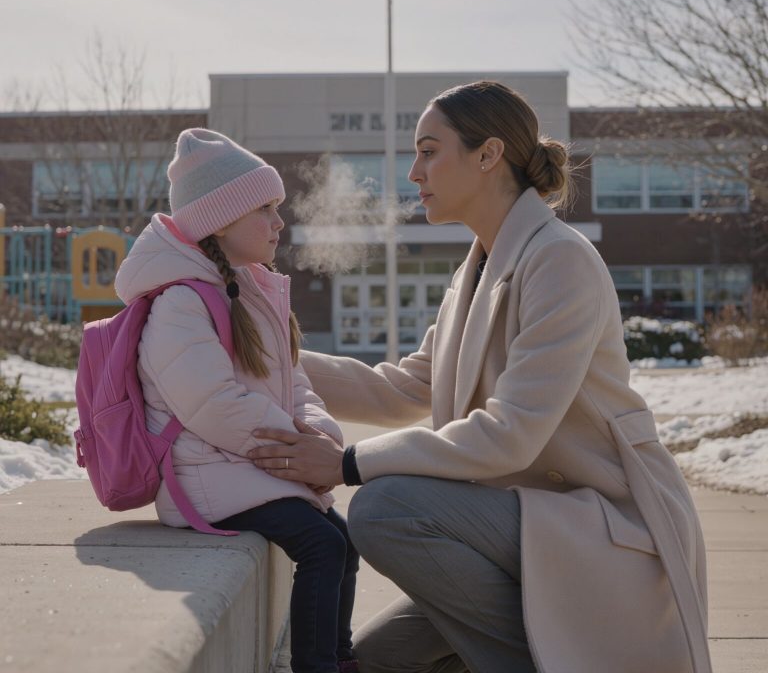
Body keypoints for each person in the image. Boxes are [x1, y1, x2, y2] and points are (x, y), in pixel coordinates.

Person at [247, 81, 712, 673]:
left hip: (602, 528)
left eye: (429, 151)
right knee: (379, 662)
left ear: (489, 154)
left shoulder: (560, 259)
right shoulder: (478, 269)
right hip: (526, 530)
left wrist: (347, 464)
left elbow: (510, 434)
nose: (414, 172)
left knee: (384, 508)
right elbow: (402, 389)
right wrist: (265, 357)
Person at [113, 128, 360, 673]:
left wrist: (319, 435)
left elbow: (295, 383)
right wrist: (295, 452)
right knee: (322, 546)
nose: (279, 222)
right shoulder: (180, 302)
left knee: (344, 539)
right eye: (265, 209)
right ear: (220, 221)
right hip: (204, 477)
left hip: (242, 467)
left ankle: (340, 659)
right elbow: (213, 405)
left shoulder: (253, 291)